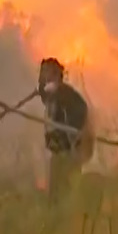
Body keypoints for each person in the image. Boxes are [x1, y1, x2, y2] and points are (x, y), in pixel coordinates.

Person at [37, 58, 94, 203]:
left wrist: (74, 134)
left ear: (56, 75)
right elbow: (46, 97)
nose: (43, 77)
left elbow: (81, 110)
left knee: (65, 192)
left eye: (46, 73)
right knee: (55, 193)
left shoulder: (66, 94)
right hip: (57, 152)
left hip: (67, 152)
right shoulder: (53, 95)